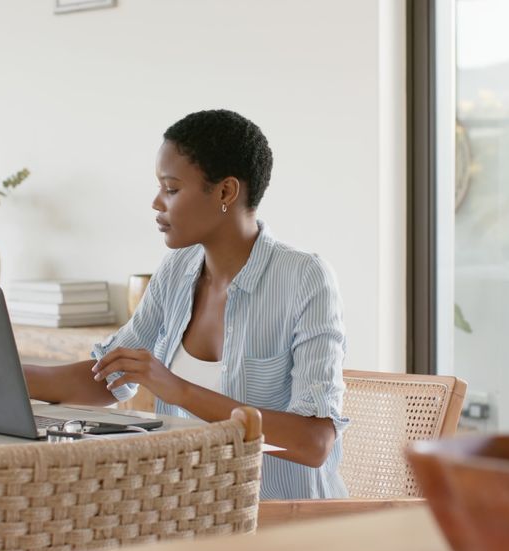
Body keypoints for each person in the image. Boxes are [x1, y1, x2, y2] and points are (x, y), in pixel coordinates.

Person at [24, 109, 348, 499]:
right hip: (189, 513)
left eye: (172, 189)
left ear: (226, 192)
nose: (156, 203)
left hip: (283, 527)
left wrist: (179, 390)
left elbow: (313, 443)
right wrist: (0, 375)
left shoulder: (304, 278)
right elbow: (109, 377)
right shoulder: (177, 270)